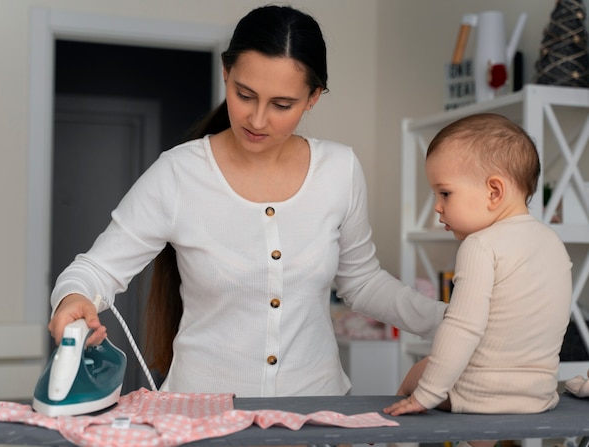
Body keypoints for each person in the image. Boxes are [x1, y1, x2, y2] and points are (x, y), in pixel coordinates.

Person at [48, 4, 446, 398]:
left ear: (313, 98)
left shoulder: (339, 169)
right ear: (226, 73)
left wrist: (449, 322)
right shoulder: (178, 173)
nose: (257, 120)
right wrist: (73, 297)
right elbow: (96, 269)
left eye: (281, 105)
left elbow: (361, 282)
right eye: (244, 94)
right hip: (201, 416)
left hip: (316, 415)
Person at [383, 113, 572, 446]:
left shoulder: (480, 245)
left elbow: (462, 327)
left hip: (481, 397)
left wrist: (424, 395)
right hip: (539, 396)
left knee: (419, 372)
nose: (438, 208)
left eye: (444, 193)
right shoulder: (551, 242)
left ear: (494, 191)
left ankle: (391, 433)